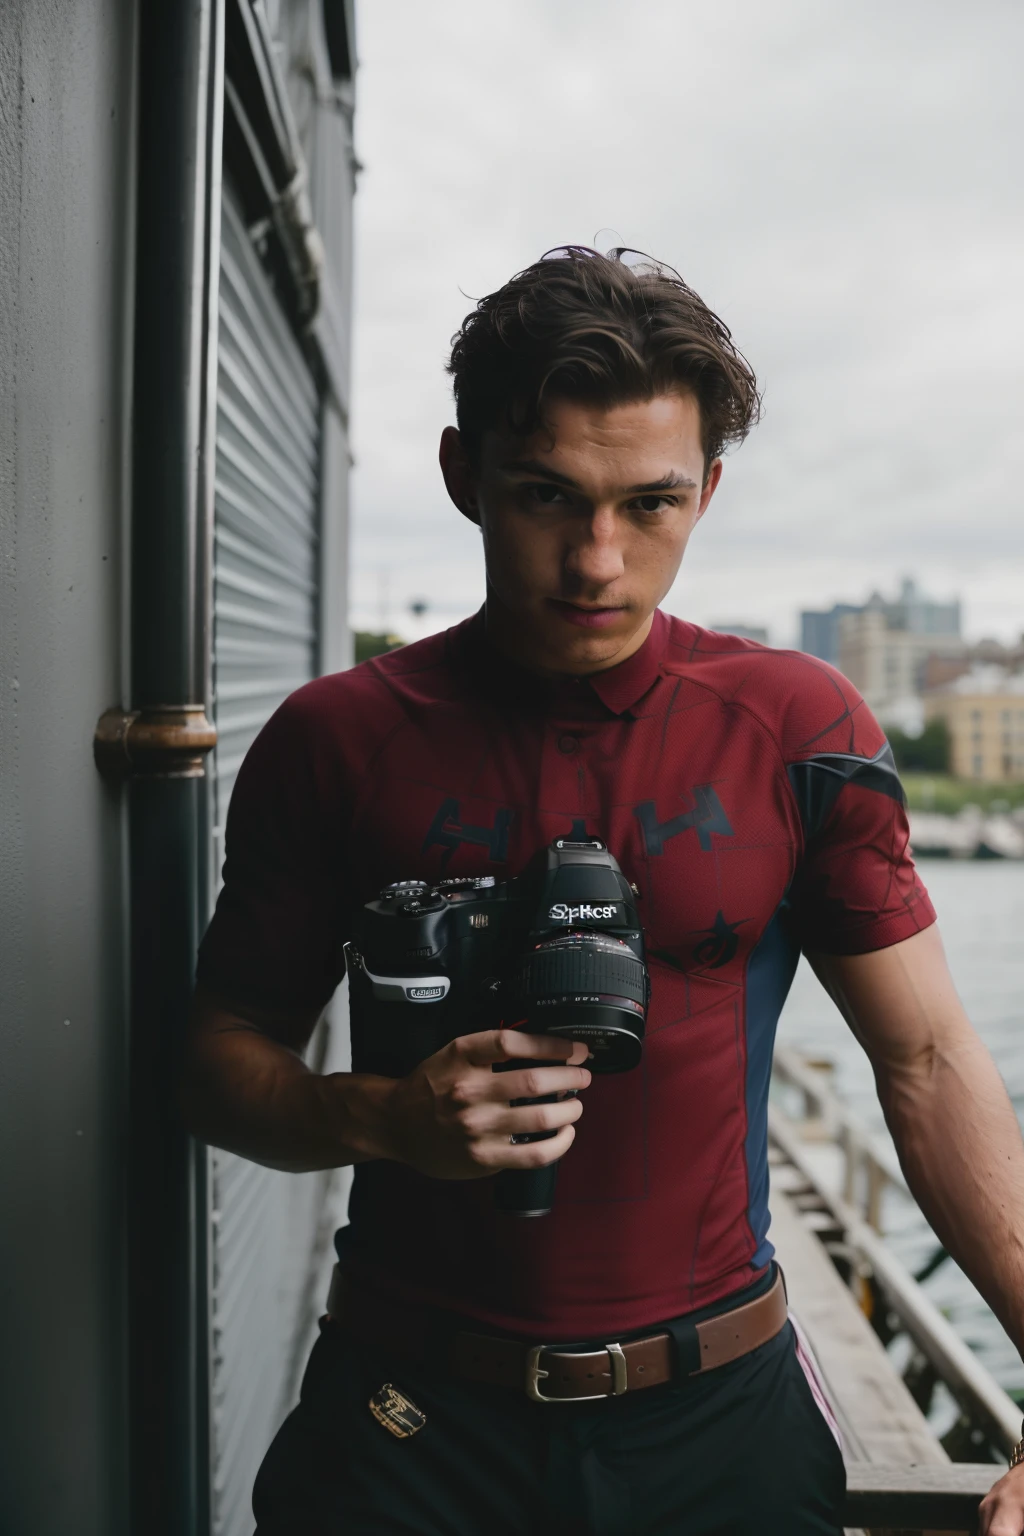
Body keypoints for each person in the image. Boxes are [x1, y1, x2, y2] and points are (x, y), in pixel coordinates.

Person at [184, 247, 1024, 1536]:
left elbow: (926, 1061)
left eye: (651, 504)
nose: (598, 561)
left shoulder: (797, 726)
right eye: (547, 496)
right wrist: (384, 1117)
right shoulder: (339, 738)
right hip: (408, 1419)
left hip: (718, 1424)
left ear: (709, 491)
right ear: (464, 475)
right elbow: (213, 1063)